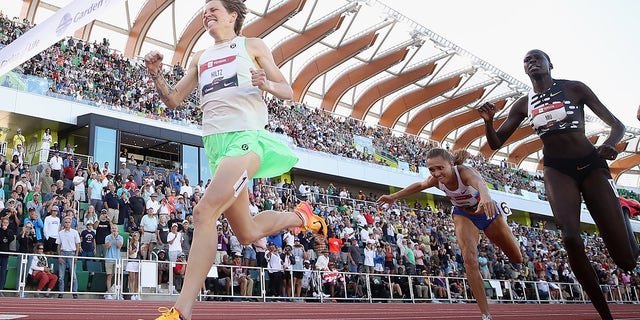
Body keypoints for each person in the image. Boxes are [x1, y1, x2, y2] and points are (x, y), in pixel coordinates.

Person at [147, 1, 326, 319]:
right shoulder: (200, 57)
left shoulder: (252, 45)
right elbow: (173, 99)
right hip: (215, 148)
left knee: (204, 213)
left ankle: (181, 311)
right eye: (204, 11)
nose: (207, 13)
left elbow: (288, 89)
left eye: (214, 8)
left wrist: (266, 84)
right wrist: (157, 76)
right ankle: (302, 218)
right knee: (246, 233)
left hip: (246, 140)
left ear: (233, 15)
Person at [477, 49, 639, 320]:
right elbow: (495, 144)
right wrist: (489, 123)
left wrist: (610, 145)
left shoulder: (574, 88)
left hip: (592, 164)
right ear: (525, 70)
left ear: (550, 64)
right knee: (570, 239)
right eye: (526, 60)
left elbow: (618, 125)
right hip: (556, 170)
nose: (531, 62)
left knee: (626, 262)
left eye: (537, 58)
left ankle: (622, 212)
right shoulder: (523, 103)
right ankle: (606, 316)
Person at [377, 148, 522, 320]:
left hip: (486, 211)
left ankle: (501, 225)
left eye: (440, 168)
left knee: (517, 257)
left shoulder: (465, 173)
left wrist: (485, 196)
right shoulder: (436, 180)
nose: (436, 173)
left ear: (451, 164)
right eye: (432, 169)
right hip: (463, 215)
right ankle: (485, 314)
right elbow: (420, 185)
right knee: (469, 259)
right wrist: (394, 196)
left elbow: (480, 184)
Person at [56, 216, 80, 299]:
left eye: (68, 222)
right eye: (65, 222)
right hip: (63, 253)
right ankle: (61, 292)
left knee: (73, 274)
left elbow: (78, 244)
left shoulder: (75, 232)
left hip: (71, 253)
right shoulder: (60, 233)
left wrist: (76, 255)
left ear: (71, 223)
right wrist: (59, 256)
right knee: (61, 275)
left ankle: (75, 292)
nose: (67, 224)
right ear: (64, 223)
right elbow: (58, 245)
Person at [104, 224, 123, 300]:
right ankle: (108, 292)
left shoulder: (120, 237)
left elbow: (119, 246)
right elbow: (107, 246)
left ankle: (118, 292)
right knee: (109, 276)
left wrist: (116, 238)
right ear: (111, 229)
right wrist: (112, 239)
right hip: (109, 258)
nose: (114, 229)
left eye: (115, 228)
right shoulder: (107, 237)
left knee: (118, 276)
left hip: (117, 259)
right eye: (112, 228)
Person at [126, 231, 141, 300]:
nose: (136, 237)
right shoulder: (130, 243)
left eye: (137, 236)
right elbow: (130, 252)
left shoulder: (140, 244)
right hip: (131, 261)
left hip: (138, 261)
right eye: (135, 236)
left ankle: (136, 293)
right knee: (131, 278)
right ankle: (132, 294)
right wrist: (134, 250)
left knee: (137, 279)